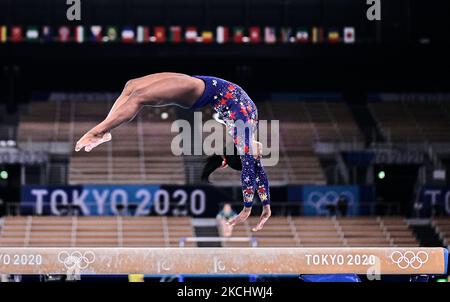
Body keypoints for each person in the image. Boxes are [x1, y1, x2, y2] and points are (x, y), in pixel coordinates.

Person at [75, 73, 271, 231]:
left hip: (199, 91)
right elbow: (259, 173)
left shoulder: (241, 134)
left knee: (139, 97)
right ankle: (106, 131)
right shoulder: (249, 130)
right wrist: (266, 206)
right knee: (131, 85)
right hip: (200, 82)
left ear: (242, 152)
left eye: (256, 157)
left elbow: (250, 170)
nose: (259, 158)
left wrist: (247, 208)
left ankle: (98, 131)